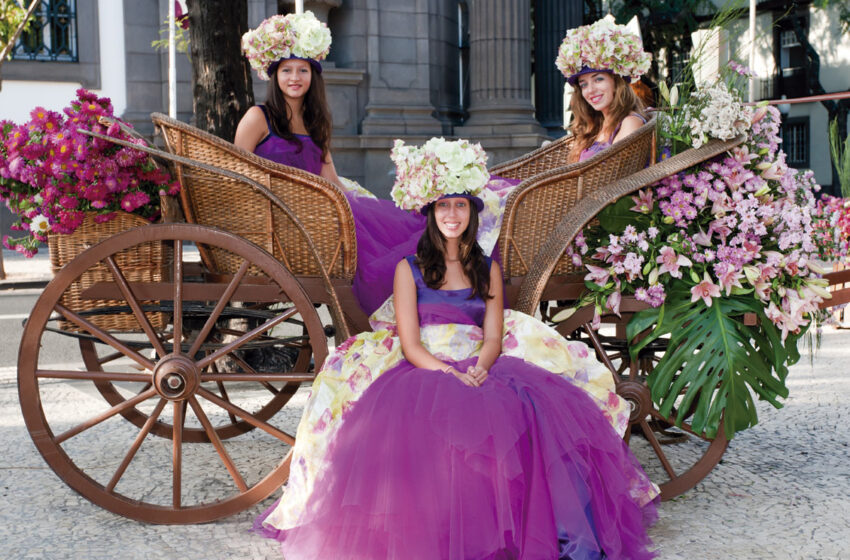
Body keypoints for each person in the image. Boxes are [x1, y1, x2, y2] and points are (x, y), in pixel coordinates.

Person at [253, 138, 660, 559]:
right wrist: (447, 373)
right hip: (429, 362)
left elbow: (492, 335)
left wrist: (481, 366)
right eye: (443, 206)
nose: (452, 214)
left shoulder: (487, 269)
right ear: (430, 213)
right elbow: (410, 342)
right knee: (430, 421)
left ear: (472, 212)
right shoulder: (408, 270)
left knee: (528, 409)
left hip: (478, 358)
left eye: (461, 206)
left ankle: (538, 526)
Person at [555, 17, 652, 163]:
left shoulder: (630, 122)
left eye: (598, 79)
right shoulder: (594, 126)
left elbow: (614, 174)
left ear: (616, 82)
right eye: (584, 84)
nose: (590, 90)